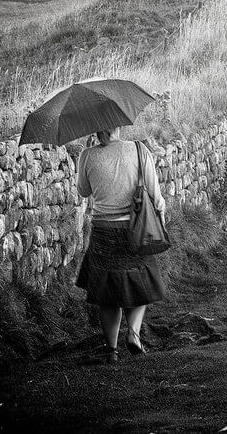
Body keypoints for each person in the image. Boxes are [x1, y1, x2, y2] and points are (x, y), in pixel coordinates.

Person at [75, 126, 167, 363]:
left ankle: (111, 350)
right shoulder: (138, 149)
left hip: (102, 231)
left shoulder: (87, 155)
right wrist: (161, 218)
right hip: (134, 230)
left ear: (94, 128)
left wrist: (89, 158)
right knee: (142, 283)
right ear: (119, 125)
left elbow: (83, 192)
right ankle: (134, 334)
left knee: (107, 293)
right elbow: (155, 195)